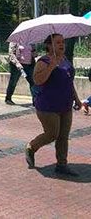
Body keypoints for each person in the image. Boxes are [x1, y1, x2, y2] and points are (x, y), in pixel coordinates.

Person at [25, 33, 82, 176]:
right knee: (52, 134)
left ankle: (62, 165)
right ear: (49, 45)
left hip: (65, 105)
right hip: (47, 106)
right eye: (57, 42)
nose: (62, 44)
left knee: (63, 136)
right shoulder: (42, 61)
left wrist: (77, 98)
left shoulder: (65, 60)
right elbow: (38, 80)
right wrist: (51, 66)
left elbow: (69, 81)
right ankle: (31, 147)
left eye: (63, 42)